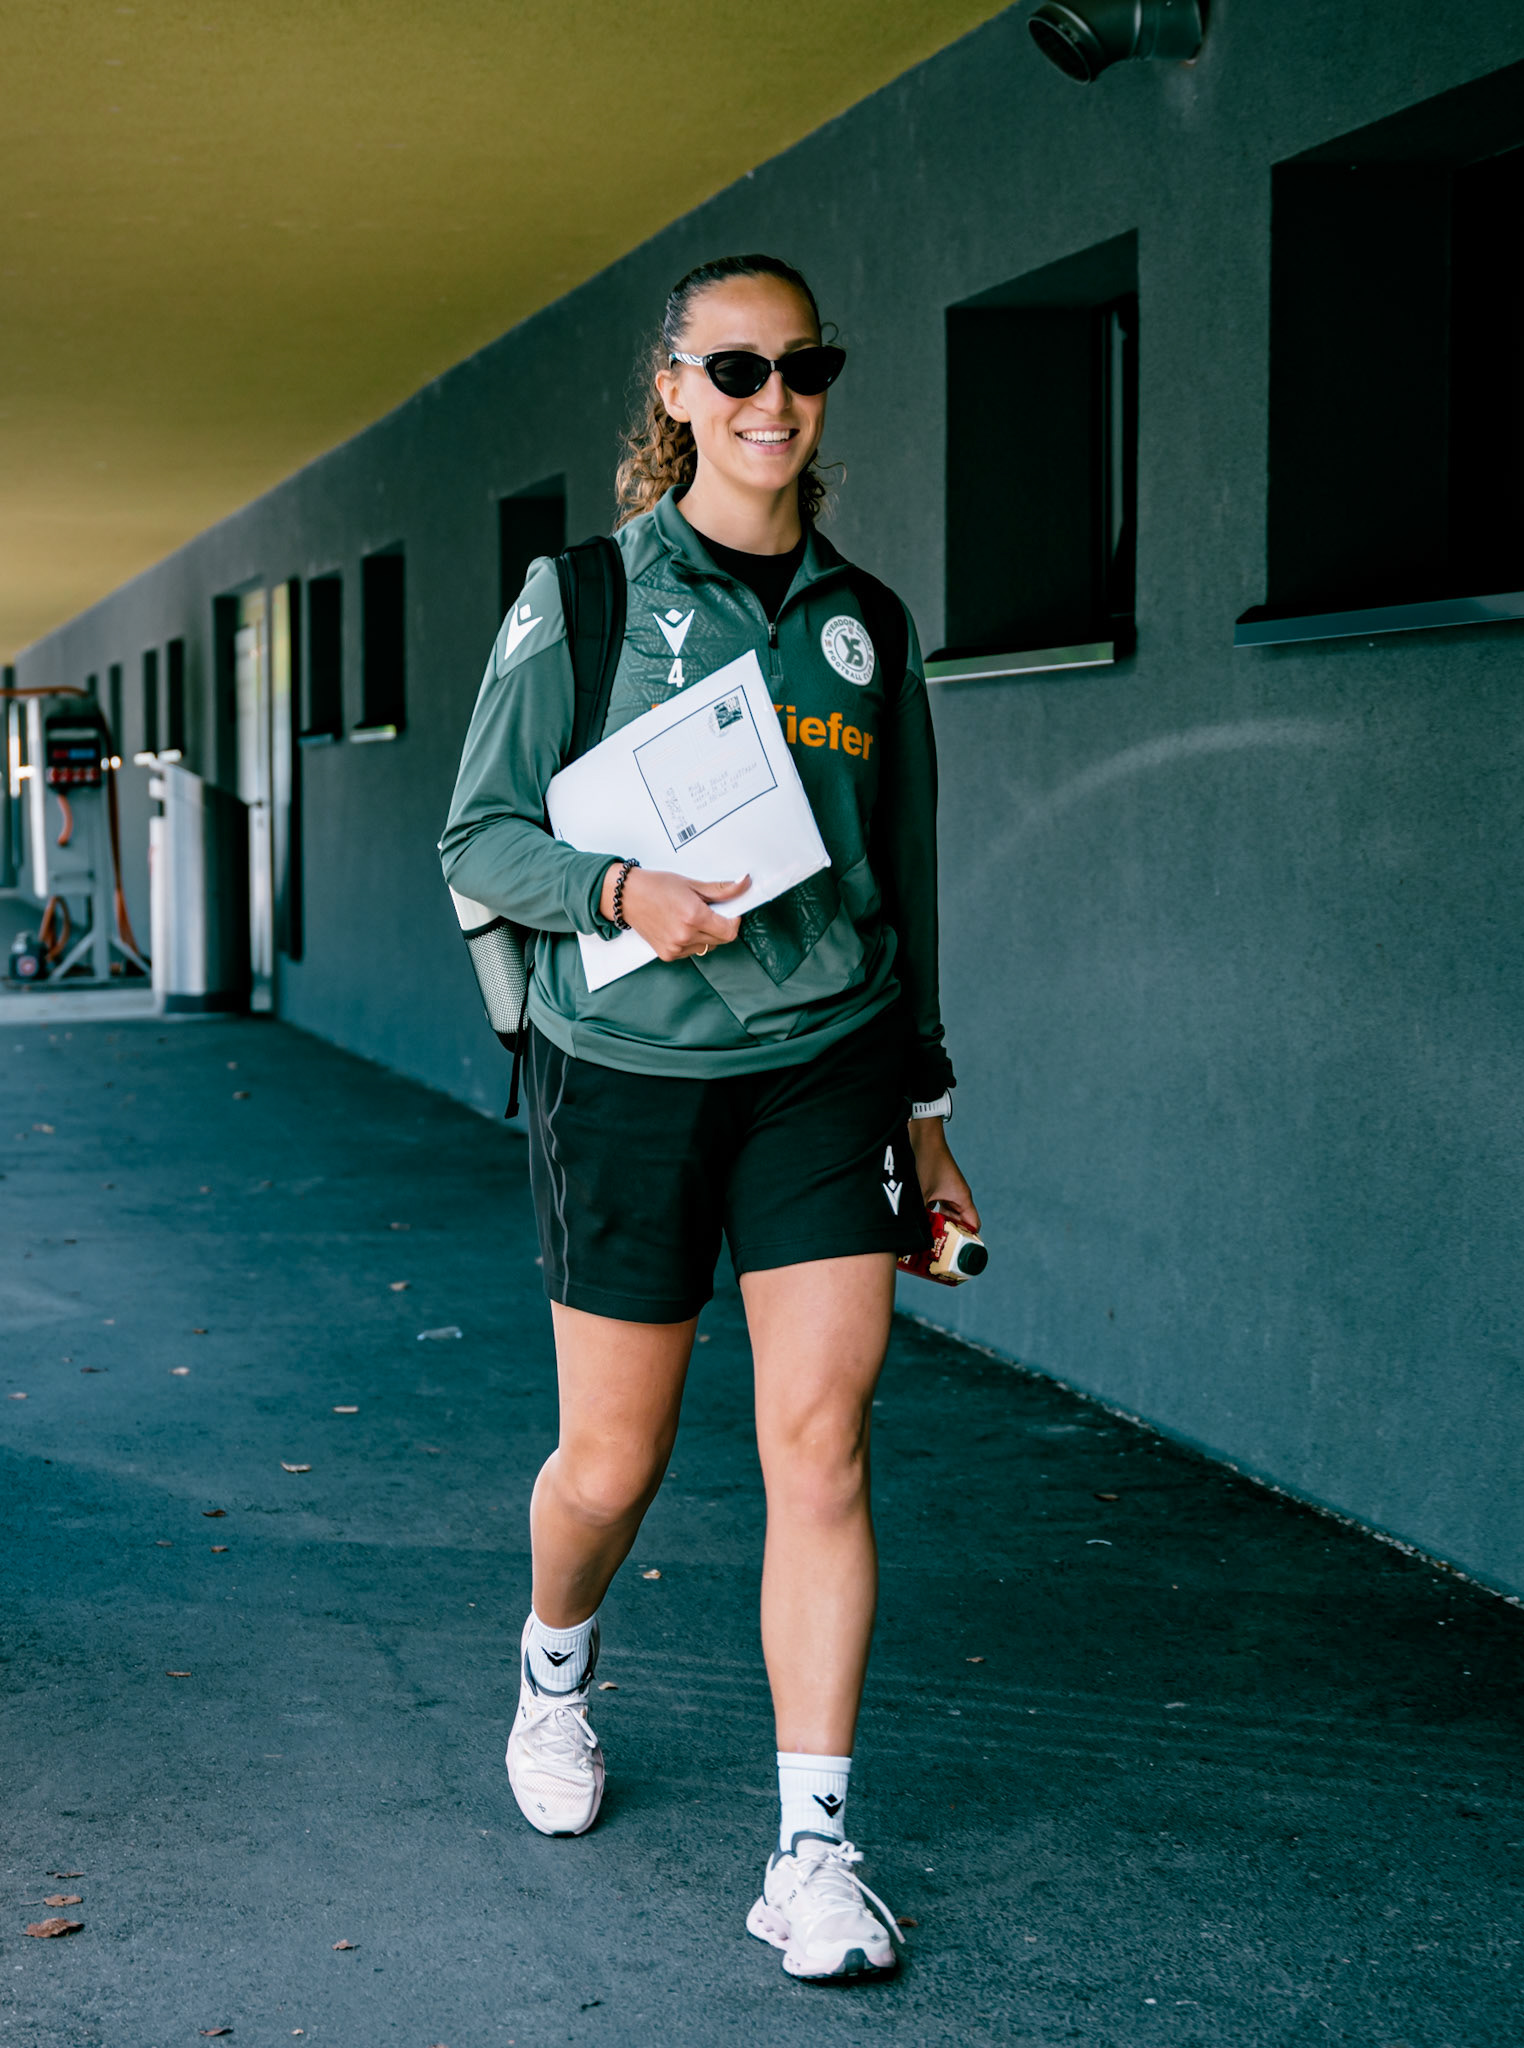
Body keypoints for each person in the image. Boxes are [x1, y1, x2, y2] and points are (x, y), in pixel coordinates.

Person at [440, 253, 979, 1983]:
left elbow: (907, 879)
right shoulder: (585, 597)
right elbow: (479, 838)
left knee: (819, 1446)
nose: (771, 396)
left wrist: (928, 1103)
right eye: (733, 365)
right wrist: (617, 888)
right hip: (629, 1078)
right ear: (672, 389)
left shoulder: (863, 622)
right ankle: (552, 1667)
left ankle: (811, 1852)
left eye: (801, 364)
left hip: (824, 1070)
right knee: (613, 1464)